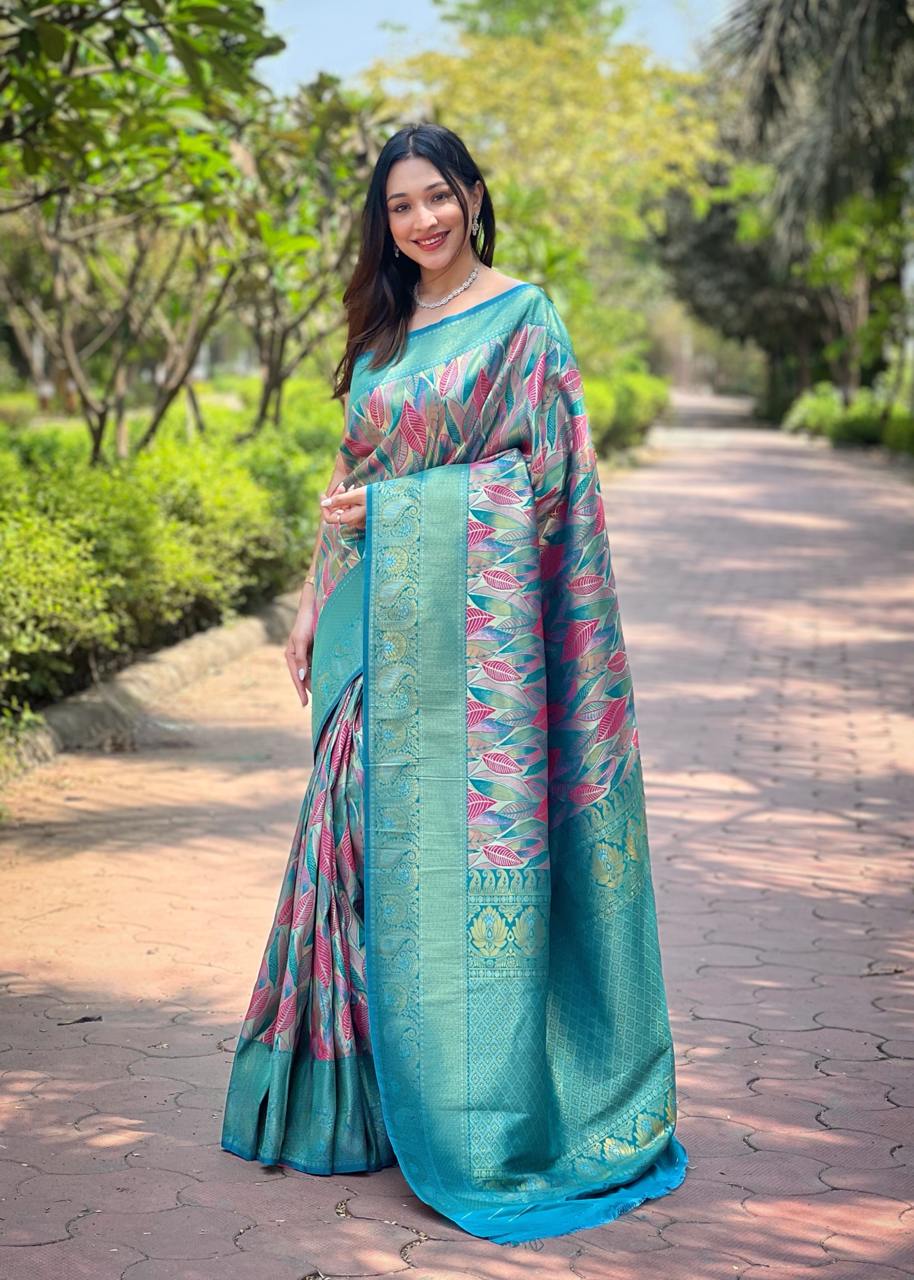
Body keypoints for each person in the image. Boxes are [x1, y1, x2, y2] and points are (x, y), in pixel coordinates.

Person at [220, 121, 688, 1245]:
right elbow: (354, 472)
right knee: (352, 847)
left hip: (478, 656)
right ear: (383, 224)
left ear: (474, 197)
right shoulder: (383, 331)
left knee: (449, 859)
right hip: (368, 623)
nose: (422, 219)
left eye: (438, 196)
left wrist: (399, 511)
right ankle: (350, 1102)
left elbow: (546, 483)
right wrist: (311, 602)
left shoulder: (524, 319)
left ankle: (479, 1104)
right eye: (400, 206)